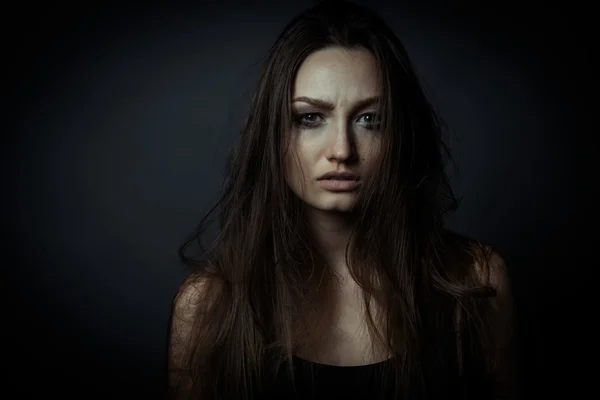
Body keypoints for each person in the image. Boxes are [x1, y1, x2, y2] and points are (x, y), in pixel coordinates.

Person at [167, 0, 516, 399]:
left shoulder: (476, 282)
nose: (342, 150)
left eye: (370, 119)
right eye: (310, 118)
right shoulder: (209, 305)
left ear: (401, 135)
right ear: (273, 134)